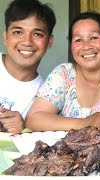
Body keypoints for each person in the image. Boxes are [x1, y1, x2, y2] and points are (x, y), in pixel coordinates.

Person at [25, 12, 100, 131]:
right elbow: (33, 120)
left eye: (94, 38)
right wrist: (86, 122)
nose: (86, 46)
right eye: (78, 40)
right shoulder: (64, 73)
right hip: (65, 149)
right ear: (71, 46)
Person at [0, 0, 55, 133]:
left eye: (37, 34)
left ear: (49, 42)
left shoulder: (45, 97)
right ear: (5, 37)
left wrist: (23, 130)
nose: (27, 42)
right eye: (18, 32)